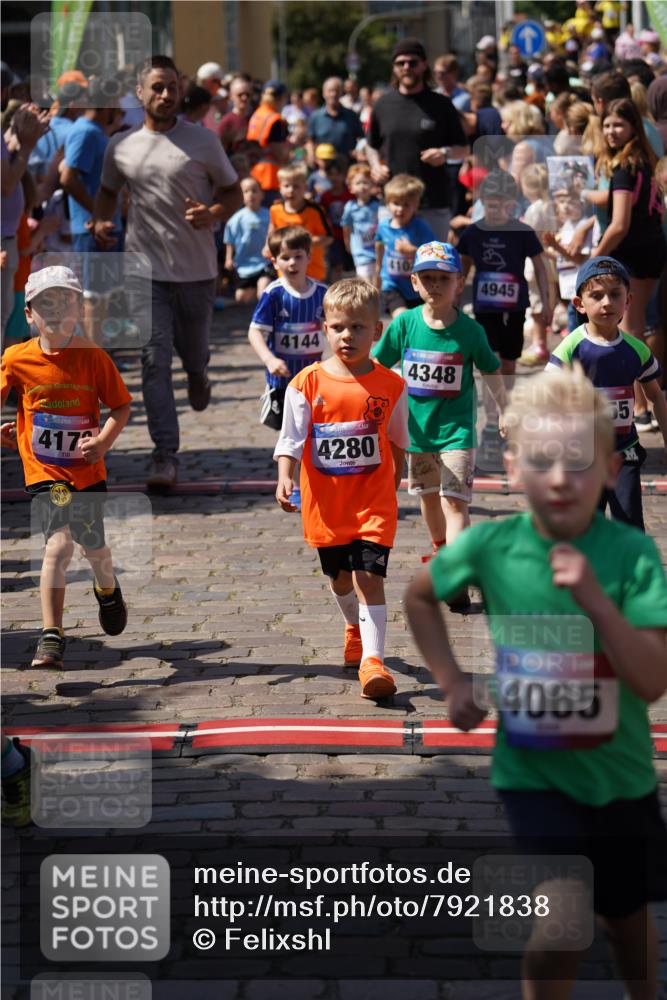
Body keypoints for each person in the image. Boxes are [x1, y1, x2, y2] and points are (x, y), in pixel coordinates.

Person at [404, 364, 667, 1000]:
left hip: (623, 774)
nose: (557, 478)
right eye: (541, 460)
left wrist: (599, 604)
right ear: (514, 467)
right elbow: (419, 597)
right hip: (535, 776)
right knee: (564, 918)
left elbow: (653, 681)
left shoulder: (631, 555)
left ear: (609, 469)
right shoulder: (490, 547)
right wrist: (450, 681)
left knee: (627, 918)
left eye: (576, 460)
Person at [93, 55, 241, 489]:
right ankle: (164, 456)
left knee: (192, 354)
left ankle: (198, 373)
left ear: (180, 90)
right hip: (144, 271)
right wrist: (103, 223)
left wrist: (212, 212)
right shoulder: (121, 145)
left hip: (196, 271)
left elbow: (231, 193)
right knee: (153, 360)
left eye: (171, 87)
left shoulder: (203, 141)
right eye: (156, 87)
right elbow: (106, 193)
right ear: (140, 93)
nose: (164, 95)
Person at [274, 278, 409, 699]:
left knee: (370, 574)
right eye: (337, 327)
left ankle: (374, 662)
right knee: (340, 578)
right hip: (327, 505)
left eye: (357, 327)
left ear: (377, 331)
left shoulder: (391, 386)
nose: (347, 335)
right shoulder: (306, 383)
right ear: (324, 328)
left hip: (373, 502)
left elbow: (397, 441)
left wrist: (396, 480)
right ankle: (353, 625)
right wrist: (285, 475)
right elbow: (291, 440)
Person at [0, 265, 132, 668]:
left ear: (79, 308)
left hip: (88, 472)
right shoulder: (15, 359)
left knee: (94, 548)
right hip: (46, 474)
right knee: (58, 543)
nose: (55, 312)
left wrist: (104, 441)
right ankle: (51, 634)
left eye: (65, 303)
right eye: (45, 304)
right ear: (28, 313)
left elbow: (121, 405)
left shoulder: (93, 357)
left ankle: (107, 589)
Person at [372, 241, 505, 602]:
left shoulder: (470, 331)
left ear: (458, 283)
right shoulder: (404, 325)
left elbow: (492, 371)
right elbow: (377, 366)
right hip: (416, 433)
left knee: (456, 503)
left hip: (457, 432)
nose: (434, 285)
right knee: (430, 499)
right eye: (427, 278)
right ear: (413, 282)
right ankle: (442, 549)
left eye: (442, 279)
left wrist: (505, 411)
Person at [546, 257, 667, 533]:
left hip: (625, 452)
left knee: (629, 523)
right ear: (579, 304)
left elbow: (656, 397)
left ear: (628, 300)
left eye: (615, 295)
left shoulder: (637, 350)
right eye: (596, 296)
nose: (606, 303)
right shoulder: (572, 346)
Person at [457, 171, 551, 443]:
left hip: (515, 308)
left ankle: (505, 414)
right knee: (491, 364)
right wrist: (455, 298)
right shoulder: (473, 233)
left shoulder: (522, 232)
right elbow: (462, 266)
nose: (497, 210)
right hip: (485, 310)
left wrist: (546, 302)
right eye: (490, 204)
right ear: (481, 203)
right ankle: (491, 420)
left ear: (514, 204)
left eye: (503, 204)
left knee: (509, 363)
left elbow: (540, 267)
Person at [366, 38, 467, 241]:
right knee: (393, 269)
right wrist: (375, 166)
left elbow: (463, 148)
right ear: (394, 68)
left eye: (412, 62)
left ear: (423, 65)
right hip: (394, 203)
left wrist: (445, 153)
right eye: (400, 63)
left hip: (433, 202)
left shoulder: (441, 104)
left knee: (433, 267)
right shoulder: (383, 105)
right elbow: (371, 145)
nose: (407, 67)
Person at [61, 78, 124, 345]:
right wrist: (97, 214)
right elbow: (68, 178)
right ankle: (93, 359)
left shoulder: (95, 132)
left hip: (105, 226)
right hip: (91, 229)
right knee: (93, 296)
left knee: (104, 295)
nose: (119, 109)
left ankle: (101, 356)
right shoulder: (84, 132)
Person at [249, 225, 327, 430]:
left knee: (312, 430)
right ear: (274, 261)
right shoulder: (273, 294)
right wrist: (269, 359)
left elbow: (335, 326)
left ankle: (307, 463)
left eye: (298, 256)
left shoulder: (322, 292)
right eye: (285, 257)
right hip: (282, 380)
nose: (292, 262)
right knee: (287, 433)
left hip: (313, 379)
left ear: (309, 257)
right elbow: (255, 330)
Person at [375, 173, 435, 318]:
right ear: (388, 203)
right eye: (396, 203)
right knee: (401, 317)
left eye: (406, 204)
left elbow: (433, 254)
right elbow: (379, 244)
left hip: (418, 287)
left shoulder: (421, 227)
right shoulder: (383, 227)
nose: (400, 209)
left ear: (416, 206)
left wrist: (413, 251)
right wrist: (378, 272)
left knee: (419, 321)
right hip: (392, 286)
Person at [267, 164, 332, 283]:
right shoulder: (275, 209)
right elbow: (272, 232)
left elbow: (328, 238)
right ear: (280, 187)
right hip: (285, 270)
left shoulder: (315, 210)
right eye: (286, 186)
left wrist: (301, 243)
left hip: (313, 270)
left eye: (296, 186)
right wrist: (267, 246)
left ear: (305, 187)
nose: (291, 190)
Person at [223, 175, 272, 304]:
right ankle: (252, 288)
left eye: (255, 191)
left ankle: (264, 316)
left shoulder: (269, 215)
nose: (251, 195)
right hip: (245, 264)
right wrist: (228, 258)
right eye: (246, 191)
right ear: (241, 196)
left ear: (262, 194)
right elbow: (229, 240)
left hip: (264, 262)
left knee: (264, 293)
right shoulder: (236, 218)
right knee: (240, 298)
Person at [246, 80, 290, 206]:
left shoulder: (257, 114)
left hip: (254, 173)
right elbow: (279, 153)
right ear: (281, 98)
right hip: (271, 177)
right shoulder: (275, 119)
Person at [306, 77, 364, 162]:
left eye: (337, 90)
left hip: (346, 167)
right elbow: (310, 141)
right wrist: (311, 155)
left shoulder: (351, 115)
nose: (333, 94)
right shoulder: (316, 117)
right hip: (324, 167)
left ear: (341, 93)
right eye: (330, 91)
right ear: (324, 93)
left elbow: (361, 139)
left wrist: (359, 150)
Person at [341, 163, 380, 280]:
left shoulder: (377, 205)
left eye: (366, 182)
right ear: (351, 187)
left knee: (377, 280)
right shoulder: (350, 207)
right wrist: (347, 244)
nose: (362, 186)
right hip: (360, 251)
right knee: (364, 280)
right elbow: (346, 226)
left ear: (372, 185)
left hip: (377, 250)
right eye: (358, 183)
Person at [319, 156, 354, 281]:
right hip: (334, 238)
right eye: (330, 174)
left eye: (338, 174)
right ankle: (336, 292)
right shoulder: (325, 196)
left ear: (344, 175)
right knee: (336, 267)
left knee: (351, 267)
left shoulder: (351, 194)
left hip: (351, 236)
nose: (334, 178)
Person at [218, 75, 254, 155]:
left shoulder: (255, 118)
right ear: (231, 96)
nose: (244, 98)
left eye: (248, 94)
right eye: (240, 95)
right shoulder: (226, 121)